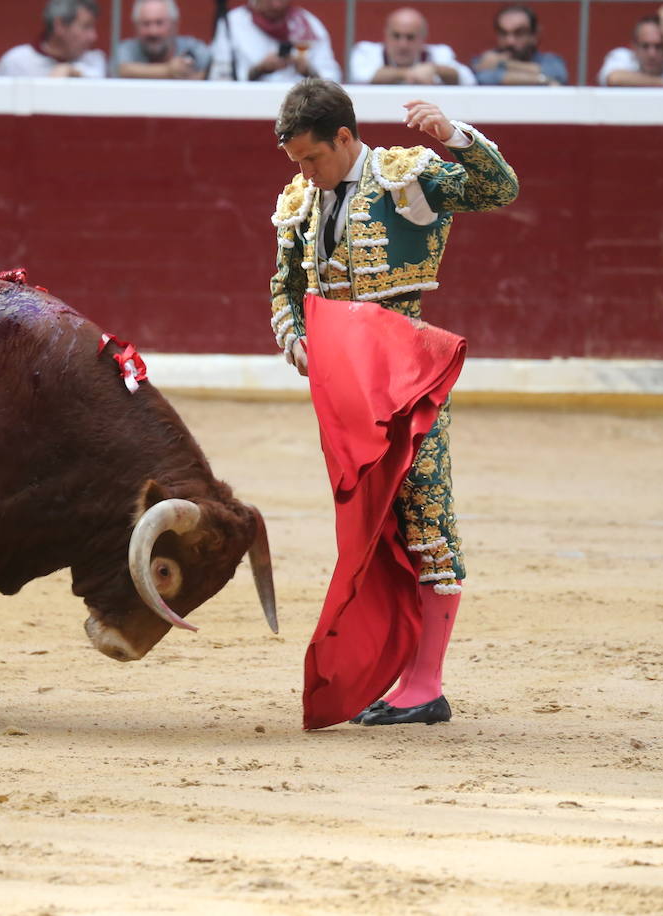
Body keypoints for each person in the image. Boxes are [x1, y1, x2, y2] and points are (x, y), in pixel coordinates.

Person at [268, 79, 519, 728]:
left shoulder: (408, 176)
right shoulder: (301, 199)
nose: (304, 172)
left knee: (426, 519)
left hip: (406, 381)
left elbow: (500, 189)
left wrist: (455, 137)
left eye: (312, 158)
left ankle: (426, 684)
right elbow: (285, 290)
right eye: (296, 160)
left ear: (344, 138)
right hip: (343, 396)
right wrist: (301, 347)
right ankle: (395, 673)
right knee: (371, 530)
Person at [209, 0, 341, 83]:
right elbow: (218, 78)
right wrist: (257, 70)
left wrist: (309, 71)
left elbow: (334, 80)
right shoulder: (232, 24)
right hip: (250, 108)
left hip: (301, 113)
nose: (276, 4)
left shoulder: (309, 25)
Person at [347, 6, 475, 86]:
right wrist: (409, 73)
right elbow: (360, 76)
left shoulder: (439, 54)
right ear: (386, 35)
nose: (403, 44)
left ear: (423, 38)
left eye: (410, 37)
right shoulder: (366, 51)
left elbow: (468, 79)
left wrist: (436, 69)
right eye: (396, 36)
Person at [0, 0, 106, 79]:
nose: (93, 36)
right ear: (59, 26)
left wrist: (72, 72)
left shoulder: (94, 60)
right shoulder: (16, 62)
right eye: (86, 27)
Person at [597, 4, 663, 87]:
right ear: (634, 47)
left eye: (659, 47)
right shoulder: (623, 57)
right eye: (645, 46)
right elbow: (613, 78)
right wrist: (660, 83)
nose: (652, 54)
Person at [470, 4, 566, 86]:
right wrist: (544, 80)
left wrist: (503, 64)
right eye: (503, 33)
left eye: (519, 33)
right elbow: (483, 79)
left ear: (534, 35)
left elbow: (558, 75)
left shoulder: (550, 60)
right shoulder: (484, 59)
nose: (510, 41)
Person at [113, 0, 208, 79]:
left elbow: (213, 71)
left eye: (159, 23)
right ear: (135, 27)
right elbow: (121, 70)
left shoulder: (193, 48)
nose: (153, 32)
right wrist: (169, 71)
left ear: (174, 25)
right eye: (146, 24)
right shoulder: (127, 49)